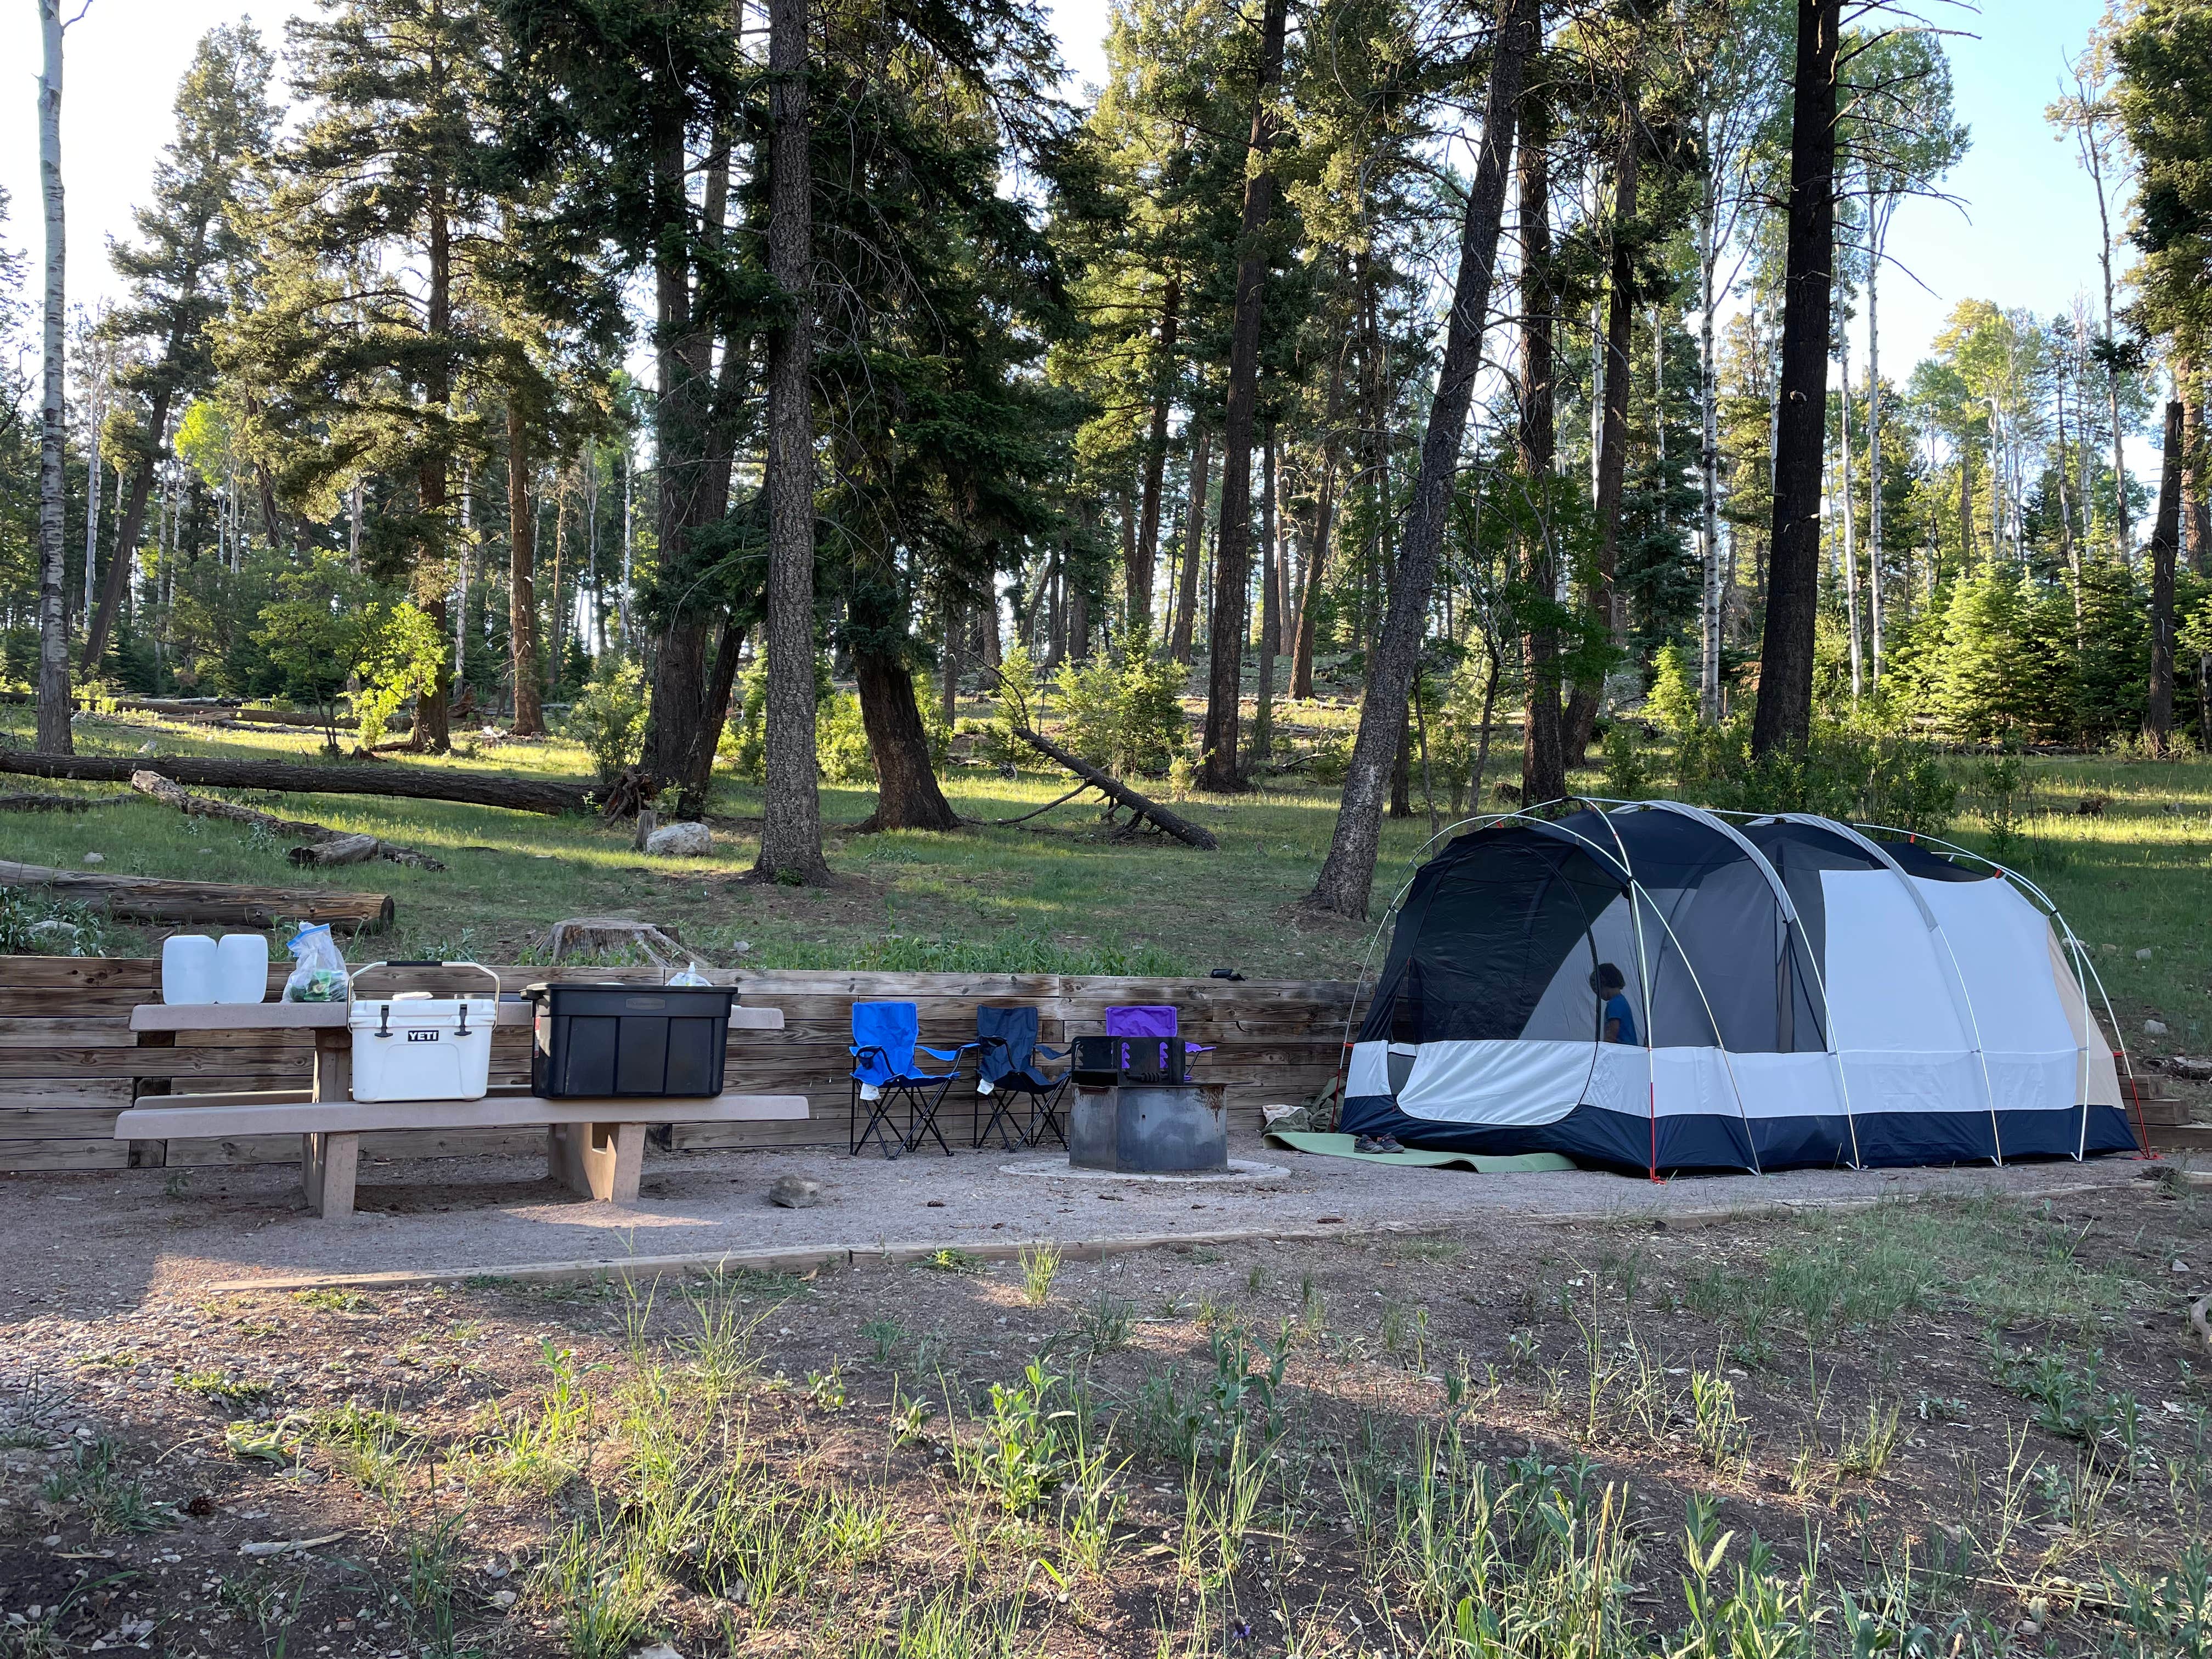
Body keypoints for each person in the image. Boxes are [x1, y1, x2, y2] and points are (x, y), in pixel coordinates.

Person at [1590, 963, 1640, 1045]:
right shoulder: (1621, 1000)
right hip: (1629, 1050)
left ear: (1604, 983)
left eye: (1598, 991)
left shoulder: (1614, 1004)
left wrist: (1604, 1050)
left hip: (1621, 1052)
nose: (1599, 996)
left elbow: (1613, 1034)